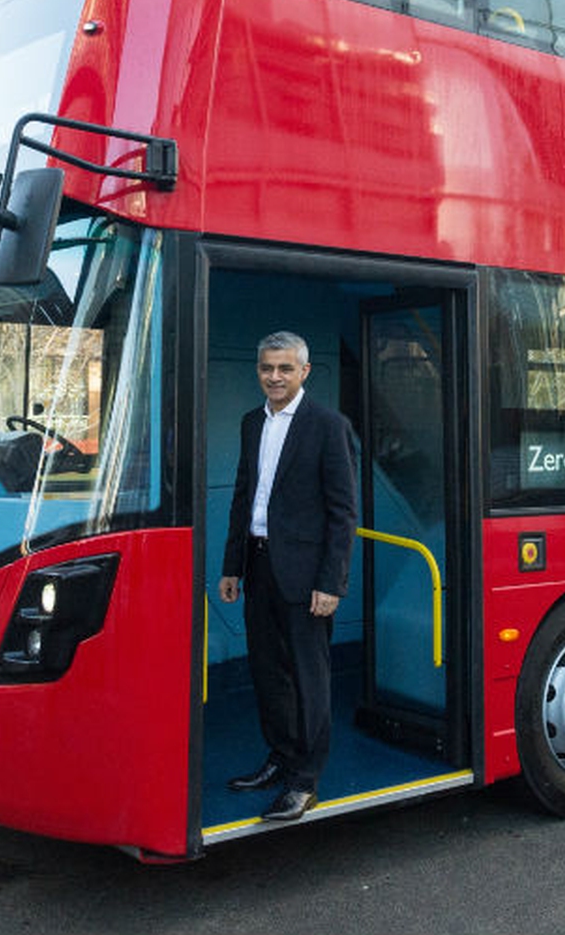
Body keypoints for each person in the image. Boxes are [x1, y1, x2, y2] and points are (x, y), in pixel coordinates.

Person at [218, 331, 359, 822]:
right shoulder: (250, 423)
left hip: (306, 578)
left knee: (309, 678)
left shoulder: (328, 426)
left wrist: (331, 582)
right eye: (266, 369)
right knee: (268, 672)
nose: (274, 377)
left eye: (284, 369)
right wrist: (231, 565)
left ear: (304, 371)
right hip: (258, 566)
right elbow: (244, 496)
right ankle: (280, 757)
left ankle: (305, 780)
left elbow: (343, 513)